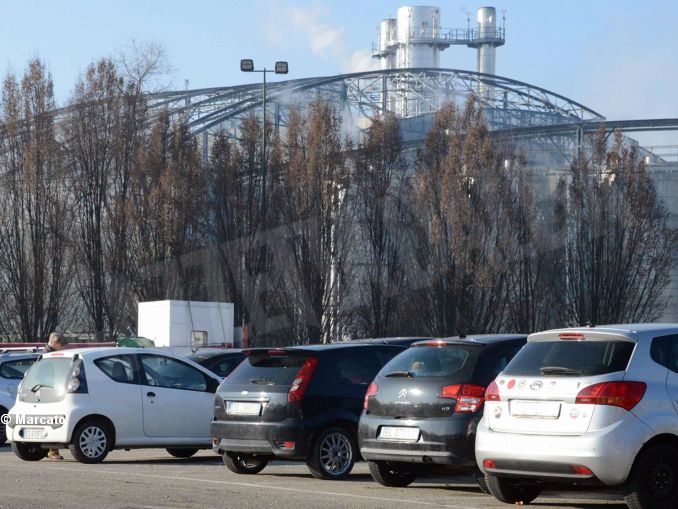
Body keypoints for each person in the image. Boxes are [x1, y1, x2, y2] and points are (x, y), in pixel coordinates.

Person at [44, 332, 67, 460]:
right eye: (61, 344)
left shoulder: (46, 355)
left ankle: (51, 450)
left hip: (47, 392)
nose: (62, 347)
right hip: (50, 393)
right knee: (54, 421)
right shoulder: (50, 356)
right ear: (55, 343)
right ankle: (53, 451)